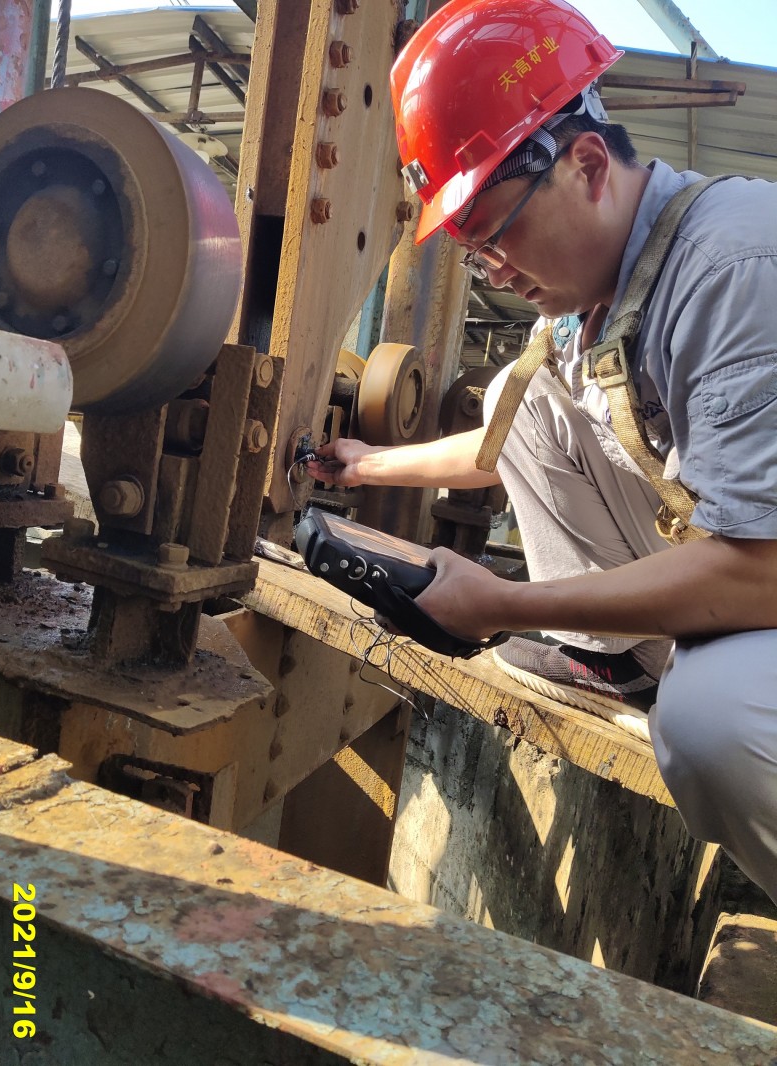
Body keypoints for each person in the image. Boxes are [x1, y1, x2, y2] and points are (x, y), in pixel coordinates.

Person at [305, 0, 777, 903]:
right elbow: (500, 444)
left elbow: (763, 571)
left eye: (495, 234)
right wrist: (364, 465)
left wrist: (504, 605)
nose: (494, 269)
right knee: (520, 397)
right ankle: (613, 660)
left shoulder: (732, 269)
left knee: (710, 723)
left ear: (587, 166)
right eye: (473, 253)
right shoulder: (597, 301)